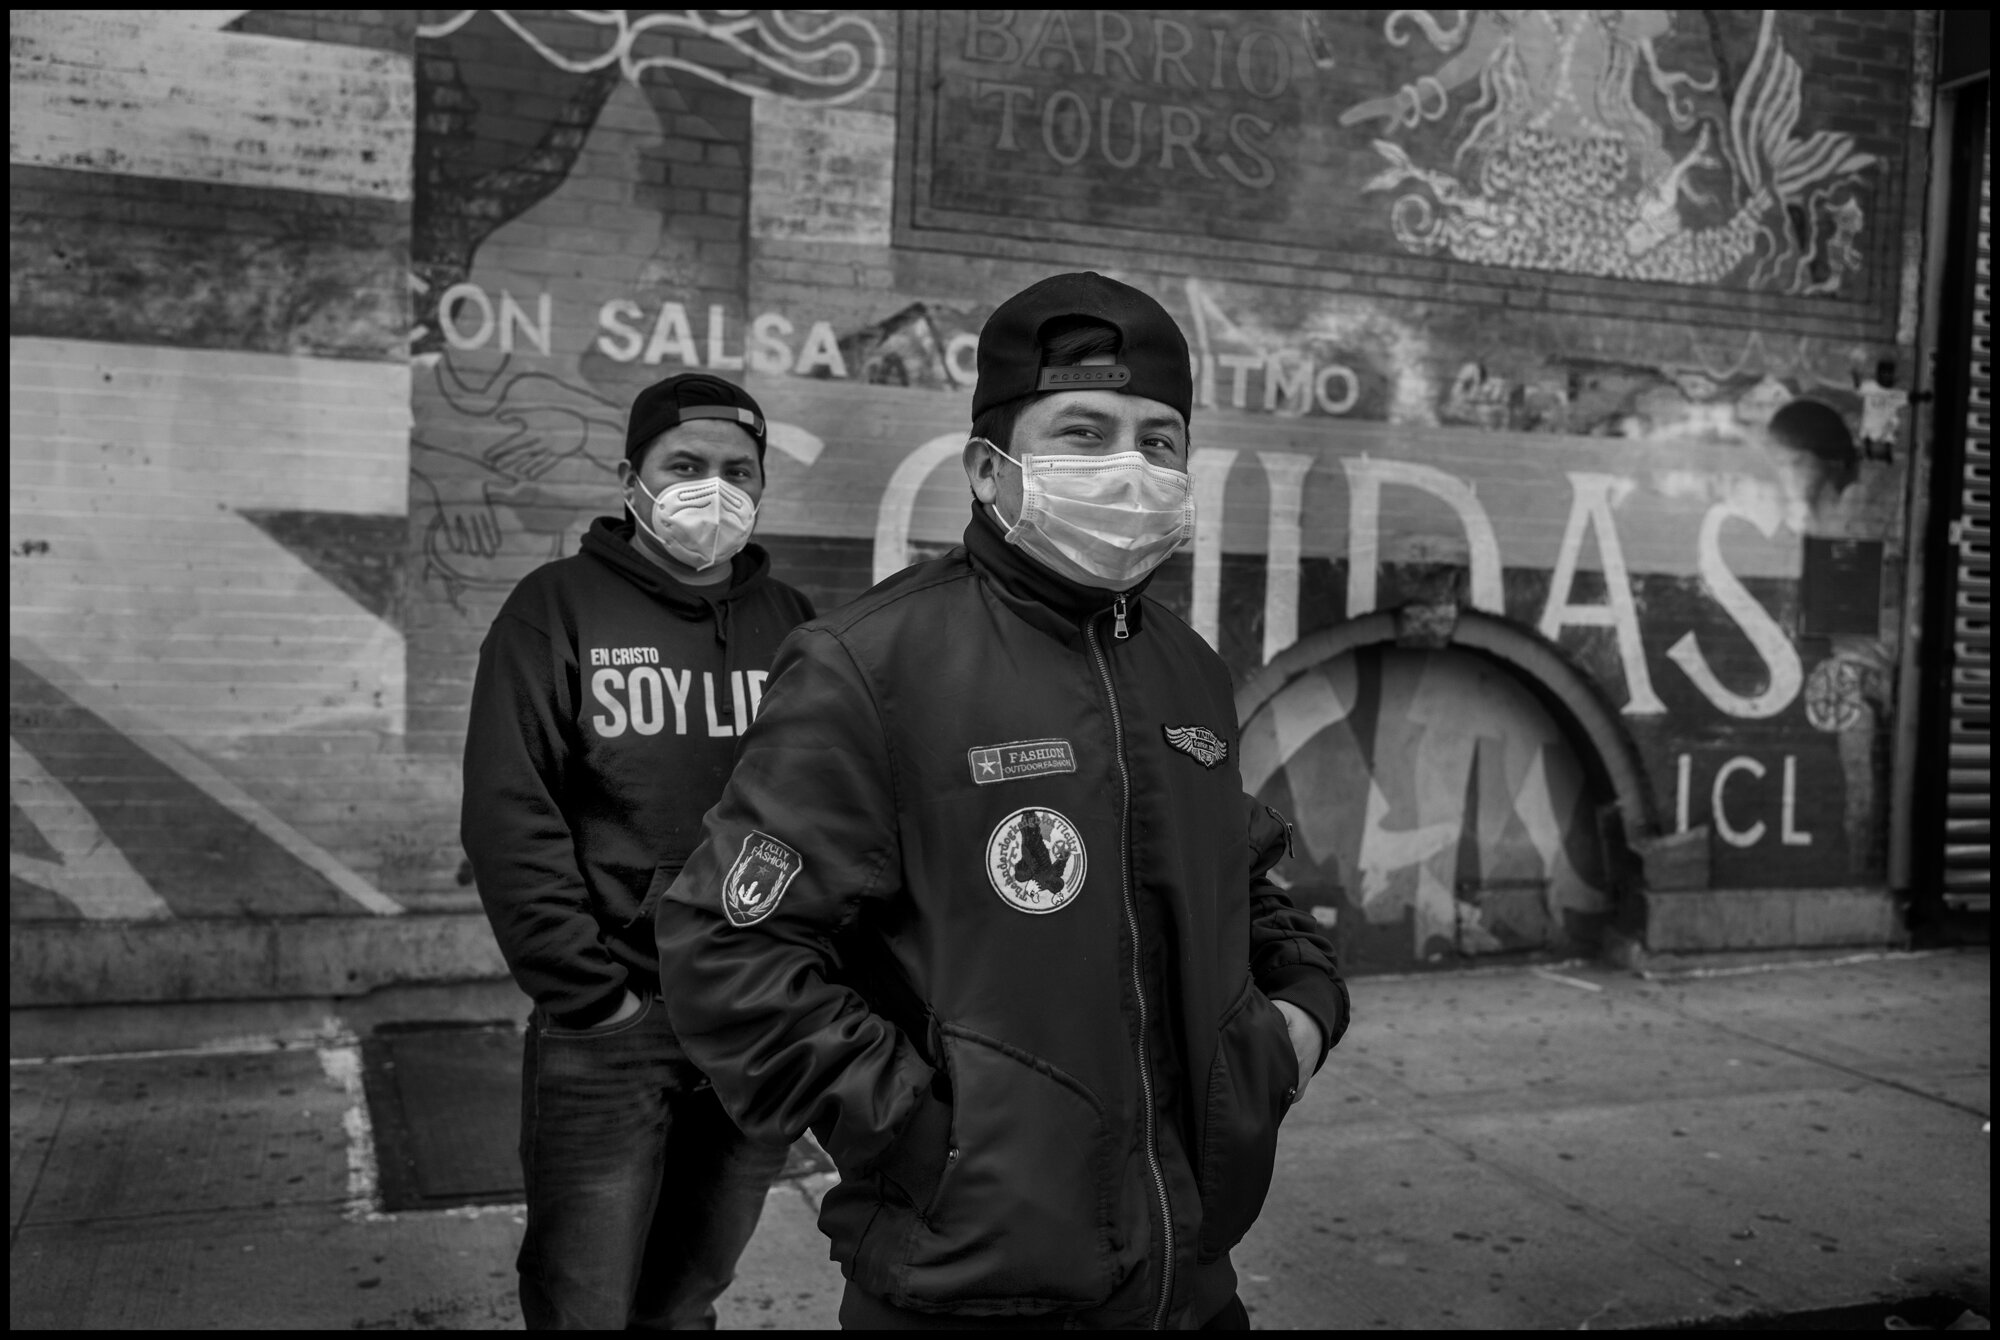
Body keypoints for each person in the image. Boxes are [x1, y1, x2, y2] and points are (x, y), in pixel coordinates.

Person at [655, 273, 1350, 1329]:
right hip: (965, 1290)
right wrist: (929, 1135)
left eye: (1158, 441)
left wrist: (1297, 1015)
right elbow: (728, 948)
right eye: (1083, 431)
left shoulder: (1186, 668)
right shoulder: (871, 665)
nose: (1129, 467)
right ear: (990, 469)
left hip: (1188, 1278)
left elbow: (1234, 874)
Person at [460, 372, 815, 1329]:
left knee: (689, 1295)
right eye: (686, 465)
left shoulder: (795, 626)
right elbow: (508, 812)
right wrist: (591, 998)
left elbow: (835, 813)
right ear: (632, 478)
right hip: (614, 1026)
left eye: (739, 470)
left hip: (757, 1019)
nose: (715, 488)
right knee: (586, 1305)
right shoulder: (555, 609)